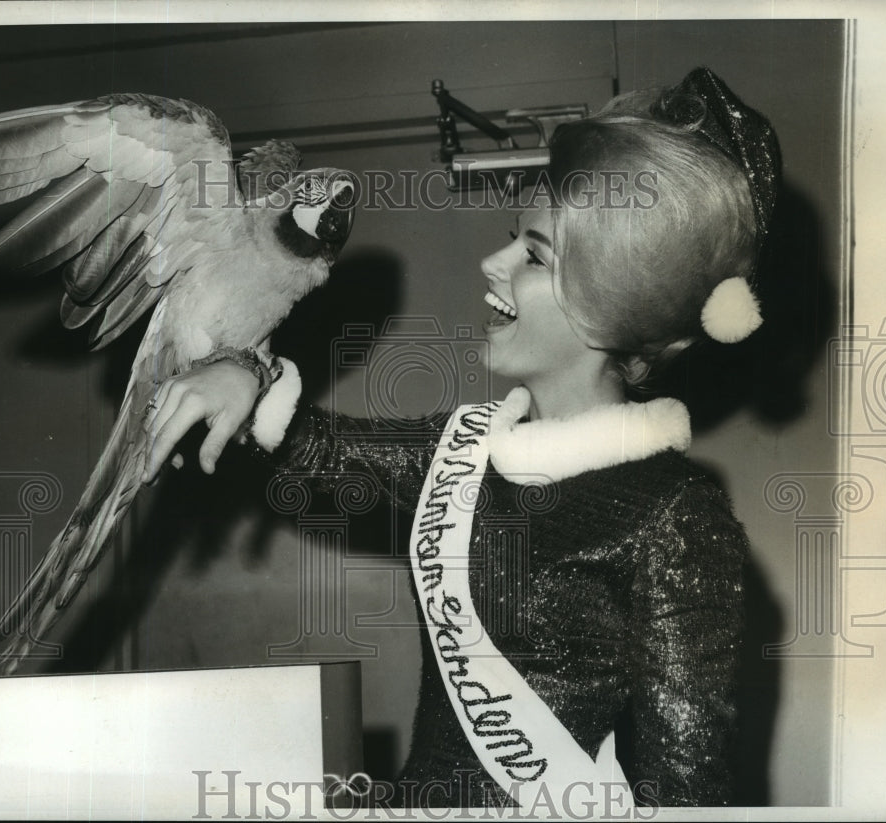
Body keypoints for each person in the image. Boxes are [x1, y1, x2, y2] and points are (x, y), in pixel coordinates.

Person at [143, 67, 781, 809]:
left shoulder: (675, 513)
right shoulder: (465, 448)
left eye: (534, 255)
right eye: (514, 241)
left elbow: (687, 791)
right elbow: (314, 449)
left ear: (609, 301)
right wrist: (243, 371)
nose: (494, 262)